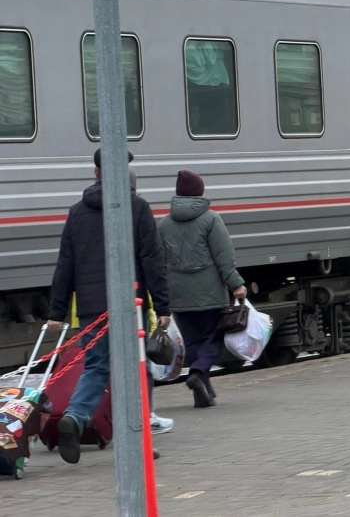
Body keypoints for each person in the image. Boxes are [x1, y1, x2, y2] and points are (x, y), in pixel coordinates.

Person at [48, 149, 173, 464]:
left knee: (97, 367)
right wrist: (164, 307)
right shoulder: (137, 208)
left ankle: (75, 416)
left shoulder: (77, 212)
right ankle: (139, 440)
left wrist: (56, 313)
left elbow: (65, 265)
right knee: (138, 370)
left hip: (92, 307)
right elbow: (152, 260)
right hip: (129, 303)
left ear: (96, 173)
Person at [157, 170, 247, 408]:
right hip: (210, 293)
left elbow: (160, 262)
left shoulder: (164, 224)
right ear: (199, 191)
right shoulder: (211, 219)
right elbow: (224, 256)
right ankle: (198, 373)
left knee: (193, 342)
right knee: (214, 338)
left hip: (178, 294)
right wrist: (236, 284)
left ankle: (202, 392)